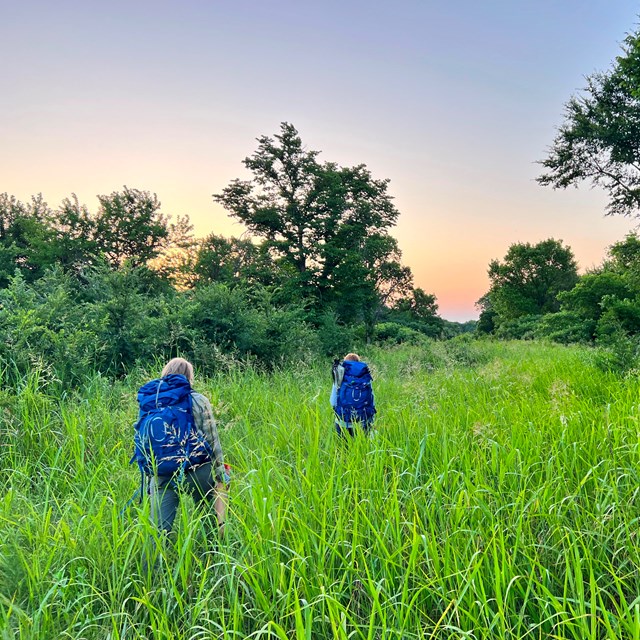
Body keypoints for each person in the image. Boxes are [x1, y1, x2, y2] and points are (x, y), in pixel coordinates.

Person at [143, 358, 227, 550]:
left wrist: (149, 480)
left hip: (162, 472)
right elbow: (212, 439)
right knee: (207, 517)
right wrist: (221, 472)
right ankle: (212, 558)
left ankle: (151, 576)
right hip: (197, 470)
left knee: (158, 532)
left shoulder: (152, 400)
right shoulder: (198, 400)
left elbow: (145, 443)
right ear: (189, 377)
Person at [330, 353, 376, 437]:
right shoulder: (365, 377)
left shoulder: (340, 376)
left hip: (343, 422)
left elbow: (332, 402)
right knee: (364, 448)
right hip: (363, 422)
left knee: (343, 449)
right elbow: (372, 401)